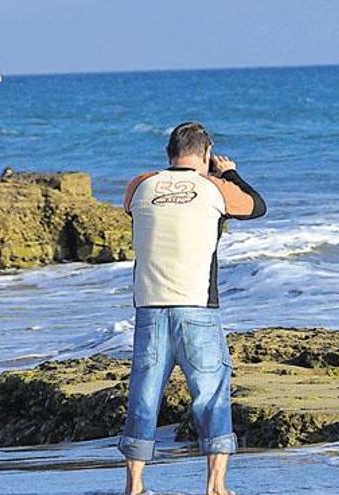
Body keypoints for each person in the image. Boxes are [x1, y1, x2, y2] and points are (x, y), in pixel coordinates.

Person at [118, 122, 266, 495]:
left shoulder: (140, 185)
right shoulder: (214, 189)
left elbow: (136, 210)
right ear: (205, 153)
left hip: (150, 306)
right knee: (211, 393)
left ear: (169, 153)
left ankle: (134, 485)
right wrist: (228, 172)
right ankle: (216, 486)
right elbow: (256, 205)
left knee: (144, 395)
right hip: (197, 306)